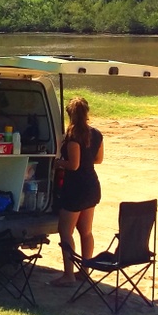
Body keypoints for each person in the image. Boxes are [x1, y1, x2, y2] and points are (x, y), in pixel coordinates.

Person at [50, 97, 104, 287]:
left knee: (65, 231)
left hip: (76, 188)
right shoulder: (96, 134)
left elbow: (74, 165)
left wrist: (58, 163)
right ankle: (85, 271)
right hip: (91, 185)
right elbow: (99, 160)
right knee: (86, 231)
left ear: (70, 114)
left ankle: (68, 274)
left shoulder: (74, 136)